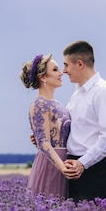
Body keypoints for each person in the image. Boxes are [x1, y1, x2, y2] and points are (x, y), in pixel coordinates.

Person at [60, 40, 106, 202]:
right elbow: (73, 129)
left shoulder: (103, 92)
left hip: (93, 169)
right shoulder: (78, 93)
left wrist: (83, 163)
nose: (64, 71)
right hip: (74, 166)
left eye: (66, 65)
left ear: (80, 64)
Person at [20, 54, 71, 198]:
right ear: (43, 77)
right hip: (52, 165)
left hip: (64, 162)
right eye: (55, 70)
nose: (61, 73)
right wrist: (63, 168)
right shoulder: (39, 104)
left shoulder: (58, 104)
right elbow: (43, 143)